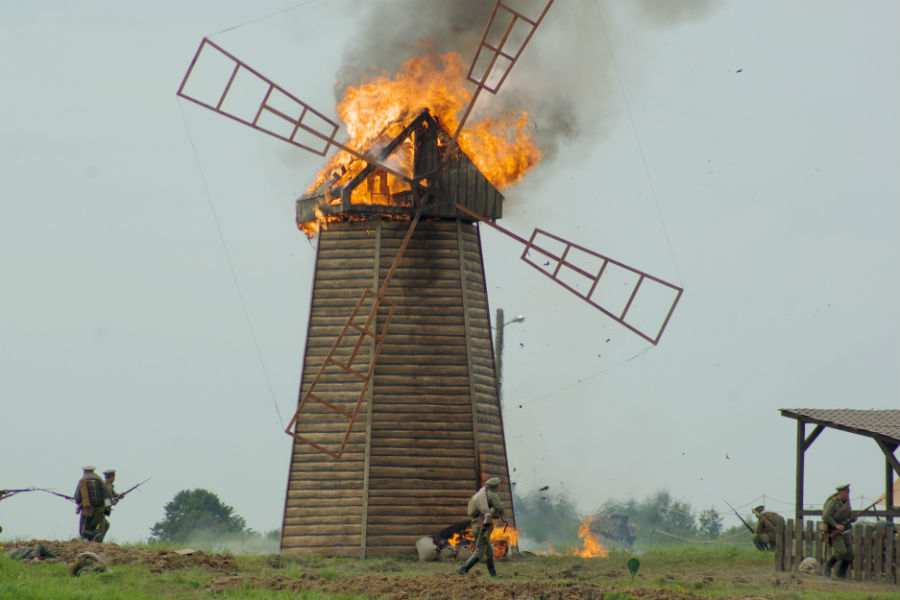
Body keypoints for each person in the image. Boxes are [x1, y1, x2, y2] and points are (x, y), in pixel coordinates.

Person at [458, 477, 505, 577]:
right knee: (480, 551)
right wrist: (494, 511)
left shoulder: (480, 494)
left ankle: (493, 574)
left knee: (489, 551)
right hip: (482, 526)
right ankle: (463, 569)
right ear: (495, 487)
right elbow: (500, 507)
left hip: (477, 525)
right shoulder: (491, 495)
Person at [822, 484, 854, 580]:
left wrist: (852, 519)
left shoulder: (847, 503)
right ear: (840, 493)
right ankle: (827, 567)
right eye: (846, 492)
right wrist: (836, 525)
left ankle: (841, 575)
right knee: (841, 552)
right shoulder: (833, 502)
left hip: (845, 529)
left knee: (850, 554)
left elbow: (848, 514)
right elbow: (826, 516)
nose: (847, 494)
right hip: (834, 530)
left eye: (848, 492)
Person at [73, 466, 112, 542]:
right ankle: (95, 538)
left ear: (84, 471)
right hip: (99, 511)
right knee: (100, 527)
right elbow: (107, 496)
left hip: (87, 511)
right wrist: (107, 509)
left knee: (83, 531)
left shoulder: (82, 480)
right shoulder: (100, 479)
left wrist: (81, 503)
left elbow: (77, 498)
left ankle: (94, 535)